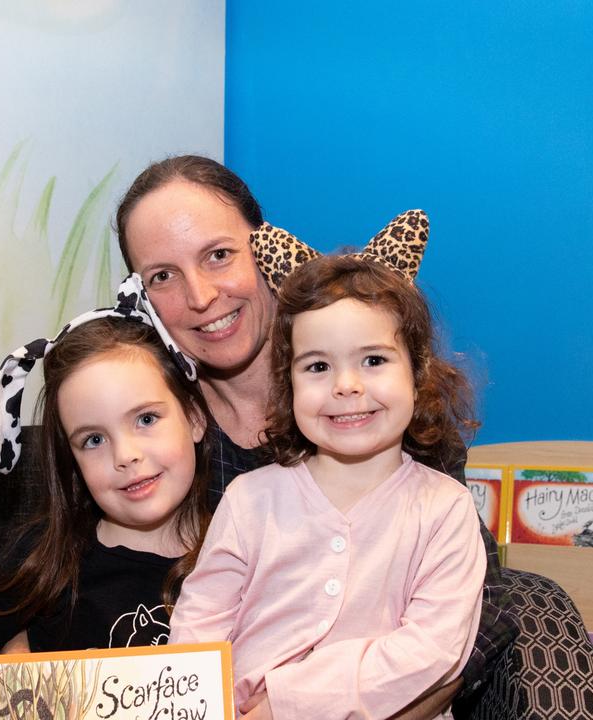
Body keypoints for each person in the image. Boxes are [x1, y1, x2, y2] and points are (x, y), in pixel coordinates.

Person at [114, 156, 515, 711]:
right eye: (163, 275)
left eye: (219, 255)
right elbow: (198, 614)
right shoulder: (164, 442)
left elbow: (457, 629)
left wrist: (294, 704)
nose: (201, 295)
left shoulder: (432, 493)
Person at [169, 255, 486, 719]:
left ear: (417, 375)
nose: (346, 385)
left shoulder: (444, 508)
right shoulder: (249, 499)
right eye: (317, 367)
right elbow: (198, 624)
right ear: (288, 382)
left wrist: (285, 702)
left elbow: (434, 648)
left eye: (374, 360)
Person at [0, 277, 213, 719]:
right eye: (92, 440)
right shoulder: (45, 557)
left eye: (146, 418)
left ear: (195, 418)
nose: (126, 456)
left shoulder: (242, 548)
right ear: (71, 457)